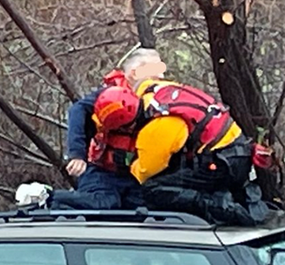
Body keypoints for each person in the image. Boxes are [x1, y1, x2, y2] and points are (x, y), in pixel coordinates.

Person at [127, 78, 269, 225]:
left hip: (222, 162)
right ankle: (230, 195)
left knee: (153, 189)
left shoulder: (157, 126)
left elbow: (145, 173)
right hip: (239, 148)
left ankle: (216, 207)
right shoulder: (157, 89)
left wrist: (128, 161)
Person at [49, 48, 169, 210]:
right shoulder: (111, 95)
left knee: (152, 209)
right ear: (134, 73)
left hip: (136, 175)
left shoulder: (160, 99)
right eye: (155, 71)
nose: (161, 77)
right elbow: (78, 110)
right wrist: (77, 155)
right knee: (104, 204)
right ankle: (48, 199)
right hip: (101, 172)